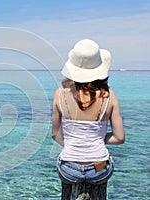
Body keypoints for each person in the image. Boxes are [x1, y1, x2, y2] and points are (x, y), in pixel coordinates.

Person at [51, 39, 125, 196]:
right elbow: (119, 138)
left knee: (68, 176)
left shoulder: (59, 95)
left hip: (69, 169)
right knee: (103, 168)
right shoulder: (109, 96)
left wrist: (74, 142)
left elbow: (55, 134)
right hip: (99, 169)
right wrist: (96, 138)